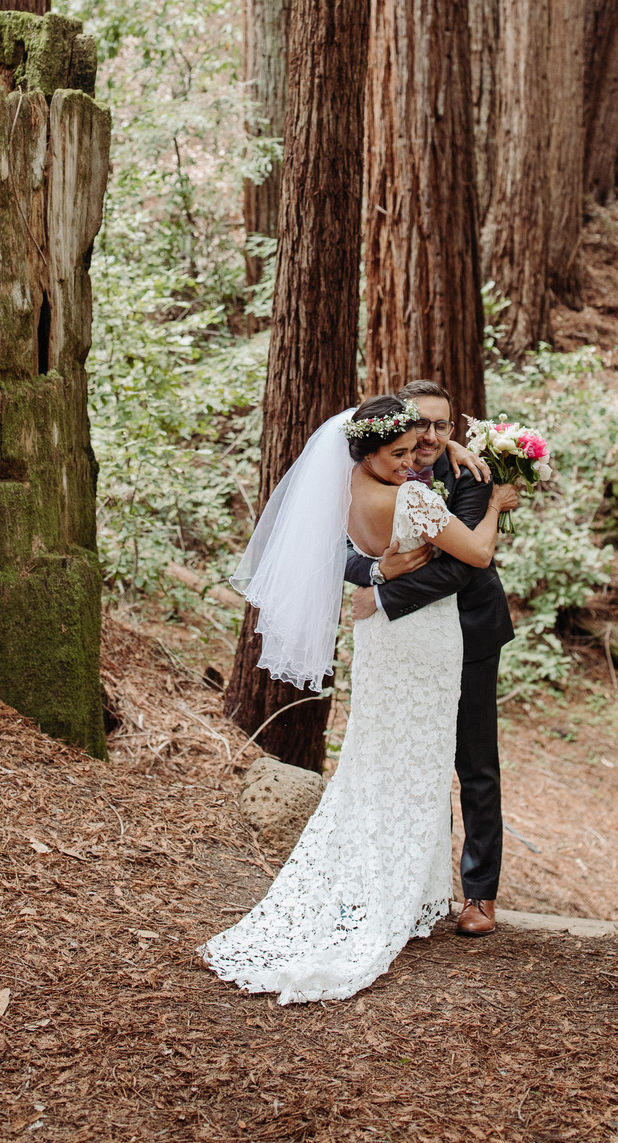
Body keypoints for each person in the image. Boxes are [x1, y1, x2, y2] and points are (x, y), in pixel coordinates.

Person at [200, 396, 517, 1004]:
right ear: (373, 447)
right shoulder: (413, 494)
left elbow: (375, 551)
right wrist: (496, 507)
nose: (412, 457)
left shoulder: (351, 481)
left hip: (401, 639)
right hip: (419, 640)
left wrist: (384, 572)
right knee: (412, 761)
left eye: (427, 439)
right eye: (402, 448)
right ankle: (390, 891)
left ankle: (432, 890)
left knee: (389, 758)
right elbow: (474, 556)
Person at [345, 379, 513, 937]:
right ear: (401, 424)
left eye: (444, 426)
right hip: (410, 644)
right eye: (423, 424)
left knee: (475, 765)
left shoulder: (469, 475)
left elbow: (463, 567)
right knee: (416, 759)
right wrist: (376, 571)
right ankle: (421, 886)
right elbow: (342, 552)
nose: (432, 437)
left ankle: (480, 896)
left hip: (470, 633)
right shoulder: (378, 472)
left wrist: (381, 597)